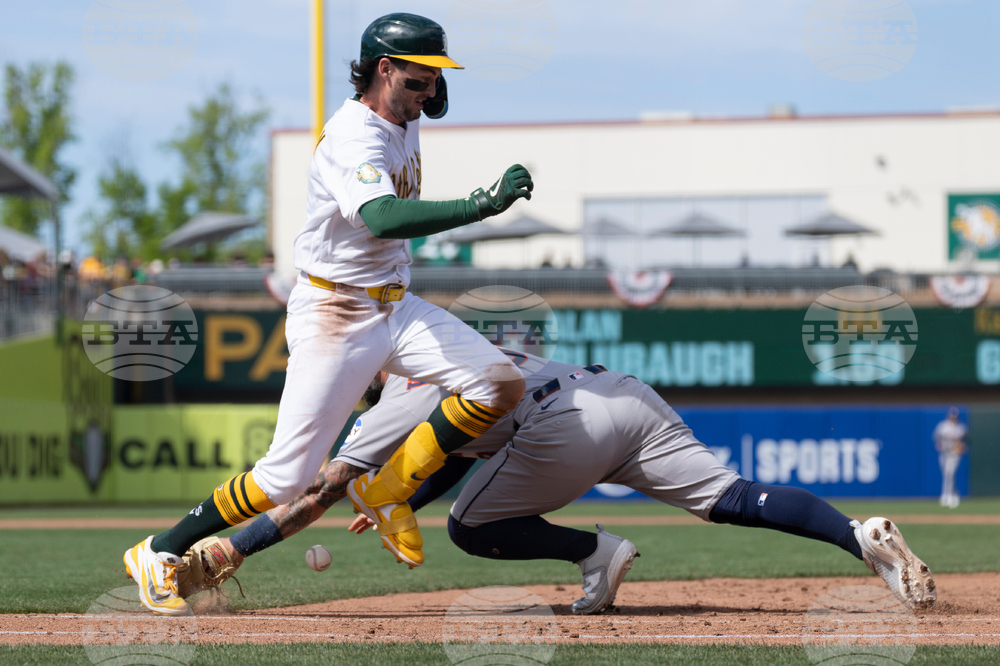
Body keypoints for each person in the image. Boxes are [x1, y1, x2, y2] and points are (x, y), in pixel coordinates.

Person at [123, 12, 534, 616]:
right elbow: (384, 218)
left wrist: (425, 90)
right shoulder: (354, 136)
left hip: (395, 306)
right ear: (384, 70)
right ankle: (158, 549)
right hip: (335, 312)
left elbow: (414, 129)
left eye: (437, 79)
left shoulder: (401, 116)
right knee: (284, 480)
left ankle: (388, 487)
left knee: (501, 382)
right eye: (421, 78)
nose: (433, 91)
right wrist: (480, 205)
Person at [177, 350, 937, 615]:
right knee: (732, 497)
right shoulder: (447, 349)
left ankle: (595, 554)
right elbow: (455, 447)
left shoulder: (391, 402)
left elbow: (318, 492)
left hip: (562, 433)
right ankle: (859, 536)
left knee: (469, 530)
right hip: (618, 399)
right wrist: (406, 490)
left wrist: (233, 547)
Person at [933, 407, 967, 508]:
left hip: (955, 454)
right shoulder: (942, 426)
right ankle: (952, 494)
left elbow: (966, 441)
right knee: (945, 474)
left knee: (950, 473)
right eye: (951, 415)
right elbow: (936, 438)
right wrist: (938, 444)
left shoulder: (961, 428)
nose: (953, 417)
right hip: (944, 453)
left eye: (954, 416)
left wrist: (963, 446)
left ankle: (948, 496)